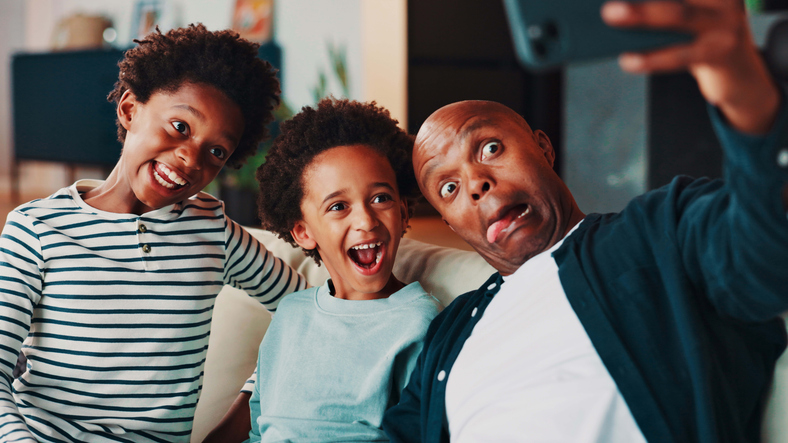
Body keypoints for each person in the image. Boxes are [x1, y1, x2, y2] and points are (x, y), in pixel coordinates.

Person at [383, 0, 788, 442]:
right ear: (451, 225)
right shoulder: (451, 331)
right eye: (448, 188)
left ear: (543, 148)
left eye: (490, 149)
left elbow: (765, 254)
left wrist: (745, 92)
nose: (476, 182)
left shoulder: (657, 231)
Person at [0, 25, 305, 442]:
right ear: (130, 109)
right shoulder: (36, 228)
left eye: (216, 151)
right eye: (180, 126)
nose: (189, 157)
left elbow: (307, 312)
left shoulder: (214, 232)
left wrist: (244, 410)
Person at [213, 98, 440, 442]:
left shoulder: (421, 322)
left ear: (404, 212)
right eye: (338, 206)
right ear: (304, 232)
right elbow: (258, 424)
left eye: (381, 198)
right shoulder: (292, 312)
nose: (365, 220)